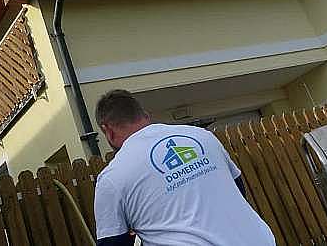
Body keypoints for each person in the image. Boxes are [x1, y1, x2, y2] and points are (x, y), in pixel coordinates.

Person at [93, 90, 275, 246]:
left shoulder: (112, 177)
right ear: (146, 116)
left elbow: (112, 243)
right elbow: (238, 189)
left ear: (107, 130)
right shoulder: (202, 136)